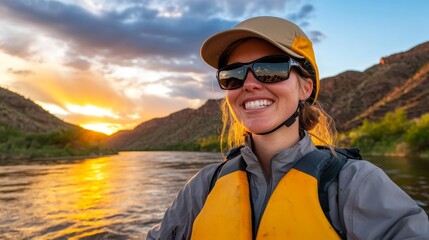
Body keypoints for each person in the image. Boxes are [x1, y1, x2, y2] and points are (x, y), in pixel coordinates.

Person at [147, 16, 429, 239]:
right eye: (233, 76)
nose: (249, 84)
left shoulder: (356, 185)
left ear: (306, 87)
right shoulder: (202, 188)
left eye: (271, 70)